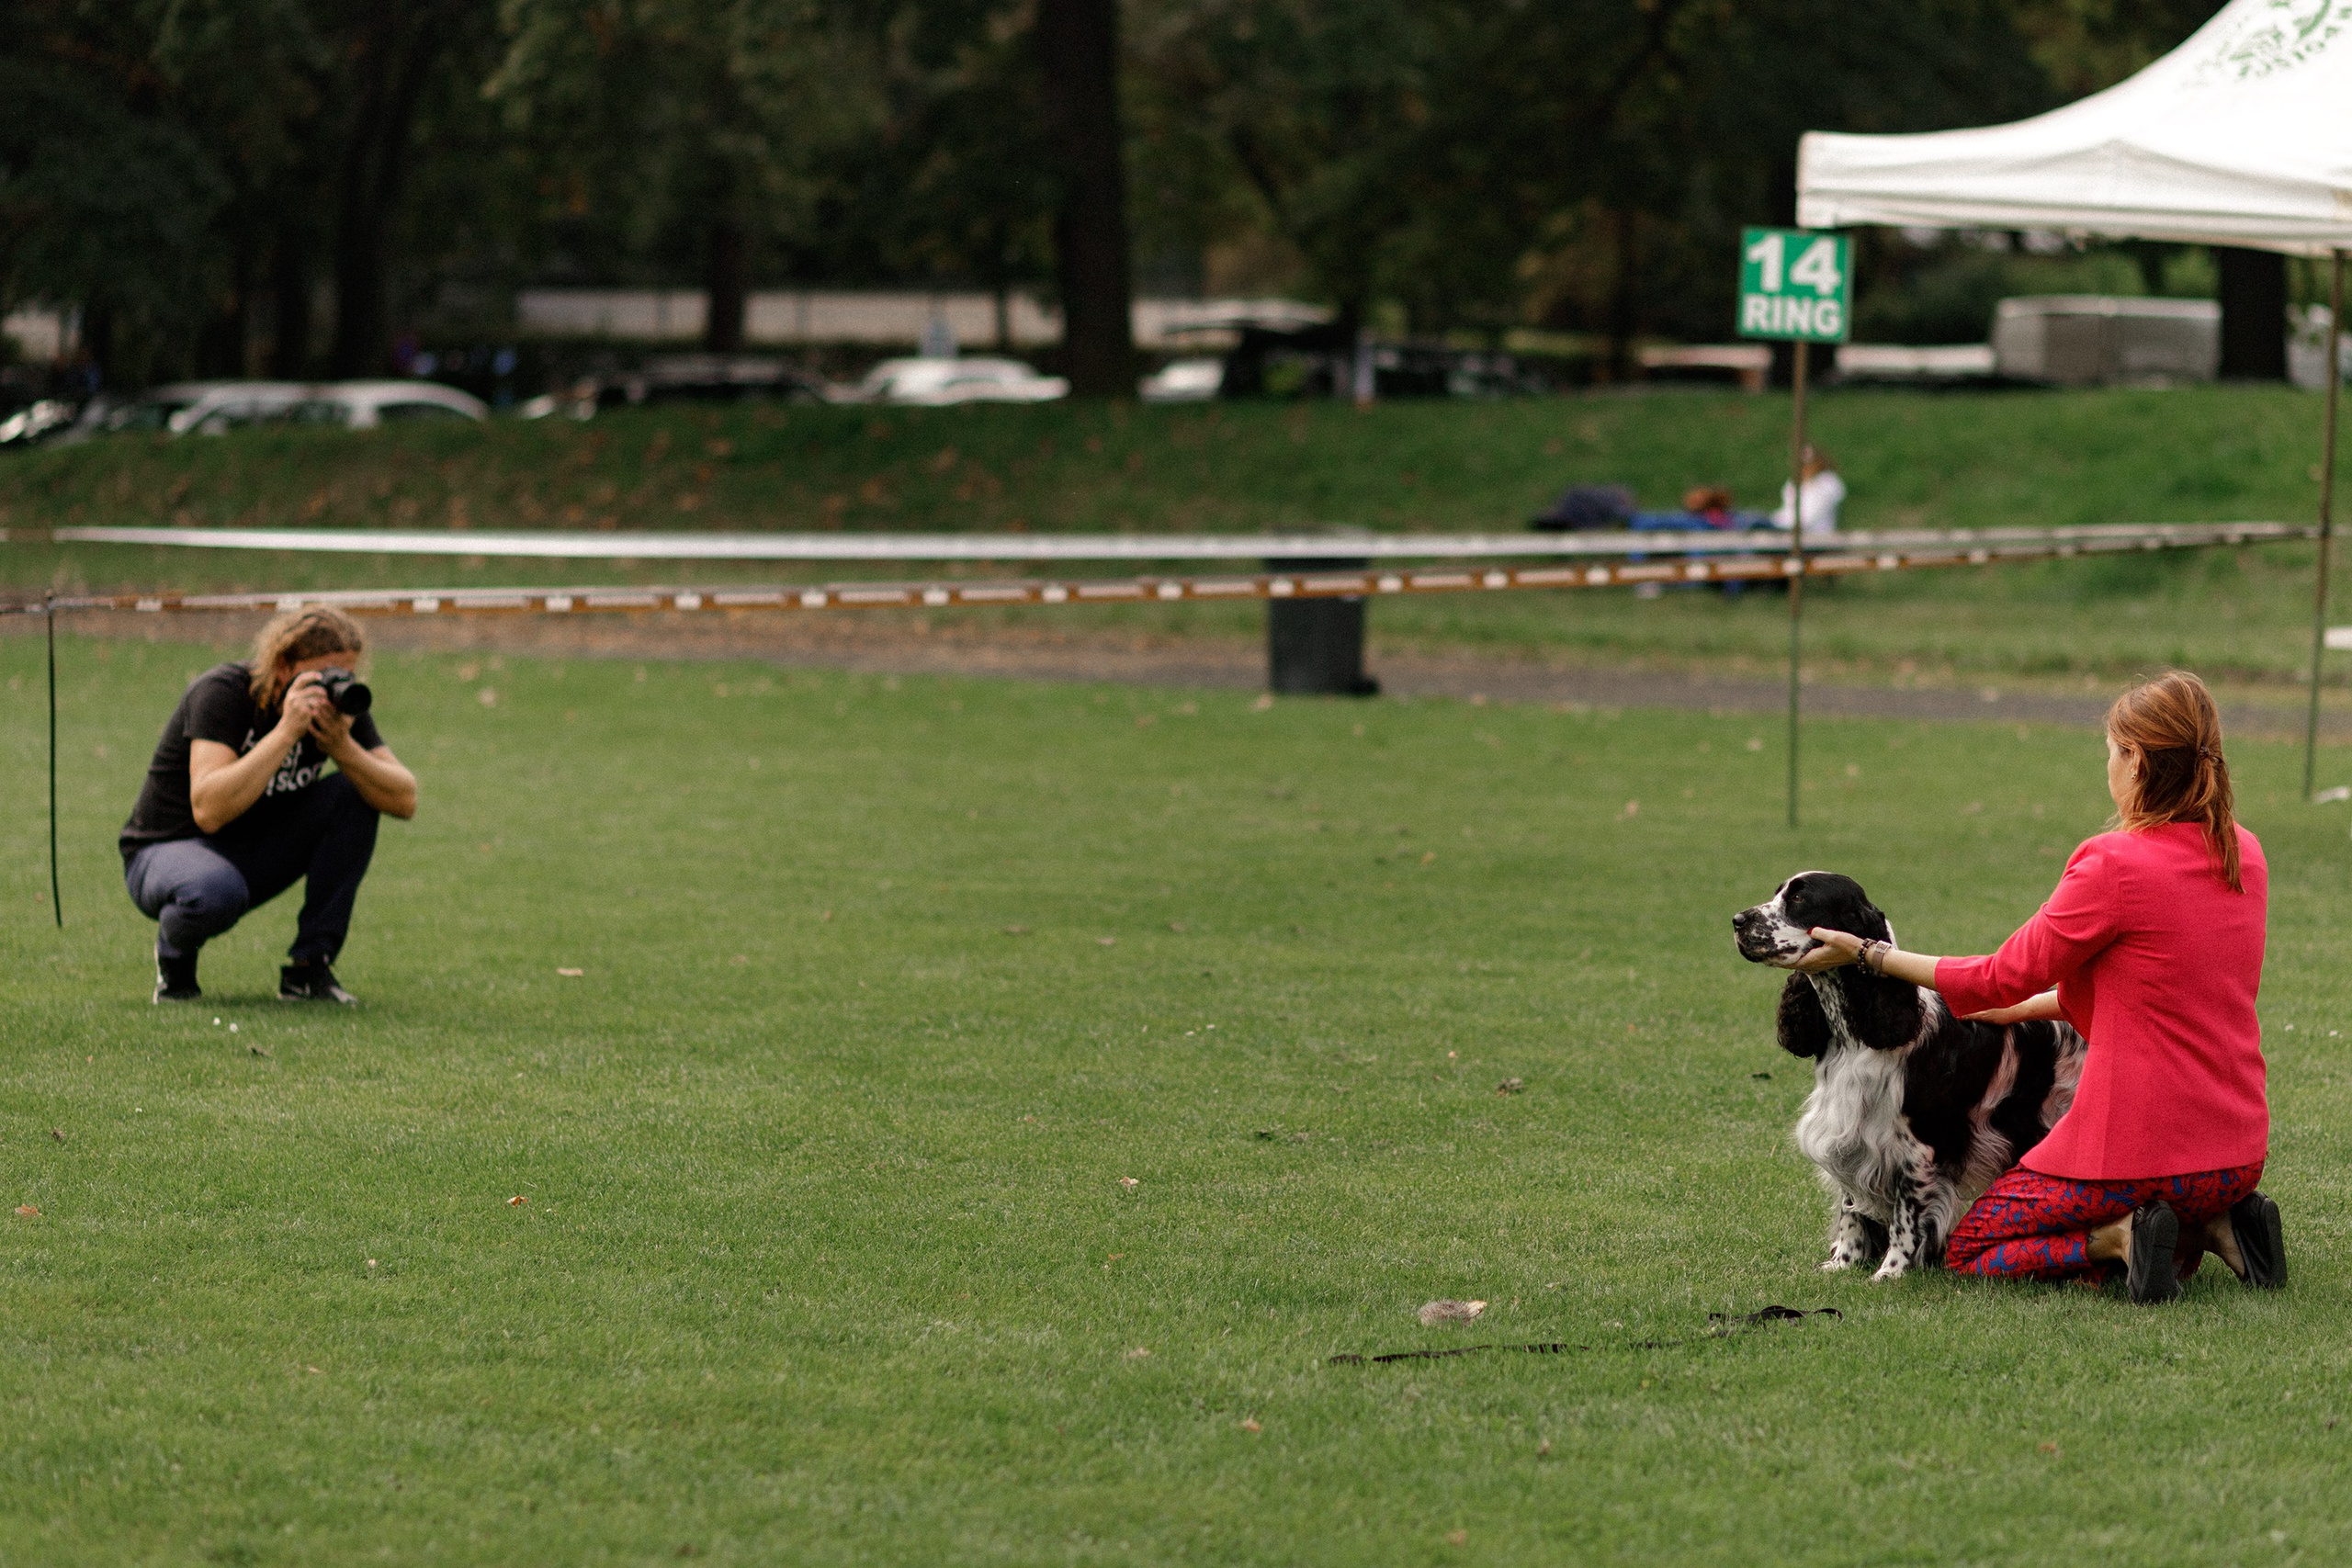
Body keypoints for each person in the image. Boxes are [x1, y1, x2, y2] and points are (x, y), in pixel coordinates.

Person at [1792, 671, 2284, 1304]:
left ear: (2135, 760)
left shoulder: (2114, 863)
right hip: (2237, 1154)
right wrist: (2018, 1008)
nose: (2108, 766)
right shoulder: (2244, 852)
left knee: (1972, 1246)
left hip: (2137, 1157)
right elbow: (2157, 997)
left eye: (2111, 752)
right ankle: (2213, 1223)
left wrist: (1869, 953)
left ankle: (2120, 1240)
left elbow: (1998, 973)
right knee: (2179, 1187)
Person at [119, 608, 417, 1005]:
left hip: (251, 854)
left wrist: (343, 749)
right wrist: (286, 732)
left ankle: (310, 971)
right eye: (325, 674)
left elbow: (405, 798)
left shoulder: (337, 711)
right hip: (168, 851)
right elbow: (209, 809)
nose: (336, 686)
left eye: (346, 674)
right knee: (213, 891)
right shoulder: (223, 693)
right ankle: (175, 961)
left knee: (355, 791)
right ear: (283, 666)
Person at [1770, 446, 1845, 536]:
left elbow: (1807, 519)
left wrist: (1777, 523)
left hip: (1816, 535)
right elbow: (1787, 510)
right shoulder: (1793, 484)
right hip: (1788, 528)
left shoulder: (1828, 483)